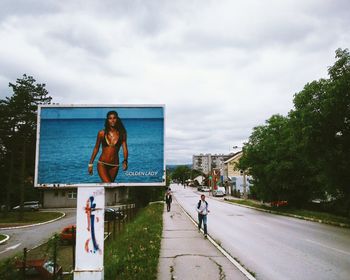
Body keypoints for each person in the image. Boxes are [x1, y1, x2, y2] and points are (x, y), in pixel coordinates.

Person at [88, 111, 128, 183]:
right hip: (102, 164)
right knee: (108, 184)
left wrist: (125, 161)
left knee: (110, 187)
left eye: (114, 118)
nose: (112, 120)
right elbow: (96, 148)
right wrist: (90, 164)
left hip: (115, 165)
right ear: (107, 120)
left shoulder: (122, 133)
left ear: (117, 119)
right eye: (110, 118)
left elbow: (125, 148)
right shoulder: (101, 133)